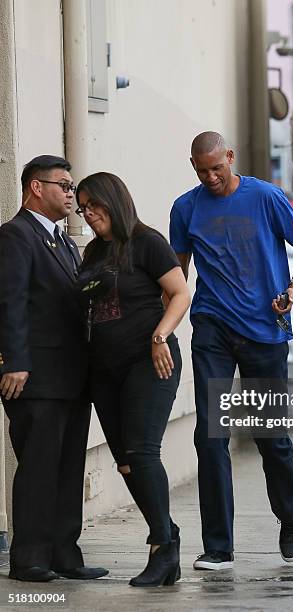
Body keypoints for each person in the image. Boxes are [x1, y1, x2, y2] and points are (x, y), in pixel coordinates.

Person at [170, 131, 293, 570]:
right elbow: (178, 273)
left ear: (230, 157)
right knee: (210, 435)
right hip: (212, 327)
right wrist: (164, 325)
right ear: (193, 166)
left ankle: (290, 517)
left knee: (270, 435)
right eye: (202, 170)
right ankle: (219, 546)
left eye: (217, 167)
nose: (211, 176)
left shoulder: (265, 197)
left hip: (264, 330)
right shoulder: (186, 208)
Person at [75, 172, 191, 587]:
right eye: (83, 208)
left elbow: (180, 293)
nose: (89, 214)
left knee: (142, 452)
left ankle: (162, 546)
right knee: (126, 463)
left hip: (149, 361)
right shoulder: (91, 252)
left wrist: (160, 336)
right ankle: (168, 539)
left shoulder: (147, 242)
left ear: (114, 201)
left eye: (95, 206)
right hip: (105, 370)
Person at [0, 155, 107, 582]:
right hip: (36, 376)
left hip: (71, 376)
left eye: (71, 185)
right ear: (35, 188)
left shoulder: (62, 241)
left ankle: (65, 553)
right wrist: (14, 362)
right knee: (40, 467)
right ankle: (29, 558)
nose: (70, 193)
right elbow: (9, 304)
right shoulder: (15, 236)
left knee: (67, 467)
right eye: (62, 185)